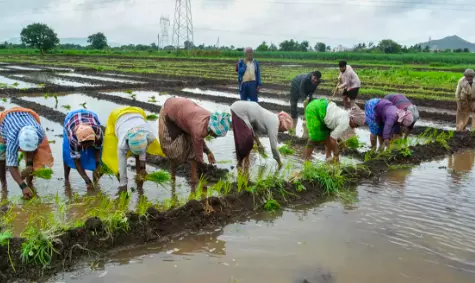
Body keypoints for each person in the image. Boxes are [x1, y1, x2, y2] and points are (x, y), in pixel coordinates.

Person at [159, 97, 231, 186]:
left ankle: (193, 177)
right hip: (169, 111)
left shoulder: (210, 119)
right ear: (212, 129)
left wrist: (208, 152)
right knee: (172, 151)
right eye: (216, 135)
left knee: (192, 145)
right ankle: (177, 175)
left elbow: (198, 139)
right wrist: (205, 169)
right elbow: (199, 154)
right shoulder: (199, 127)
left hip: (183, 112)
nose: (215, 137)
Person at [102, 106, 165, 193]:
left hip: (138, 112)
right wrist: (123, 186)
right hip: (117, 116)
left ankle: (140, 186)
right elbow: (122, 168)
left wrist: (142, 167)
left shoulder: (150, 136)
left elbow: (142, 151)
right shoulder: (122, 144)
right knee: (113, 154)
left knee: (139, 159)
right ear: (127, 144)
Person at [0, 107, 54, 199]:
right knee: (1, 156)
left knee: (31, 160)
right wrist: (23, 187)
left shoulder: (39, 133)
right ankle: (3, 184)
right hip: (5, 120)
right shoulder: (12, 139)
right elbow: (11, 165)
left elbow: (34, 149)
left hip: (26, 115)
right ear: (19, 144)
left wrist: (29, 164)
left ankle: (30, 183)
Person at [230, 100, 293, 171]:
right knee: (247, 141)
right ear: (282, 124)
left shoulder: (270, 118)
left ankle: (243, 165)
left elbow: (254, 131)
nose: (282, 131)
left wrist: (259, 144)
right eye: (283, 129)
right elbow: (274, 147)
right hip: (240, 111)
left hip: (241, 109)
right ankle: (240, 165)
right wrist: (279, 162)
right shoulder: (275, 123)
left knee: (248, 140)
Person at [63, 109, 103, 190]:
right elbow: (76, 161)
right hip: (71, 119)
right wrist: (87, 181)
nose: (86, 148)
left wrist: (98, 165)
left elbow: (98, 153)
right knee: (67, 155)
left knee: (96, 160)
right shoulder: (73, 139)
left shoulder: (98, 133)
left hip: (90, 115)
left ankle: (96, 181)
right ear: (79, 142)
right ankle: (66, 180)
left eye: (89, 145)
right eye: (84, 146)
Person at [289, 71, 322, 136]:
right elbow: (301, 89)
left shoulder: (317, 82)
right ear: (312, 75)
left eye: (316, 79)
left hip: (307, 88)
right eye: (314, 78)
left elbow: (312, 90)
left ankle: (308, 117)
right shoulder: (306, 79)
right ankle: (294, 117)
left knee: (310, 101)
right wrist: (305, 99)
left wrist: (309, 96)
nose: (315, 80)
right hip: (296, 84)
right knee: (294, 102)